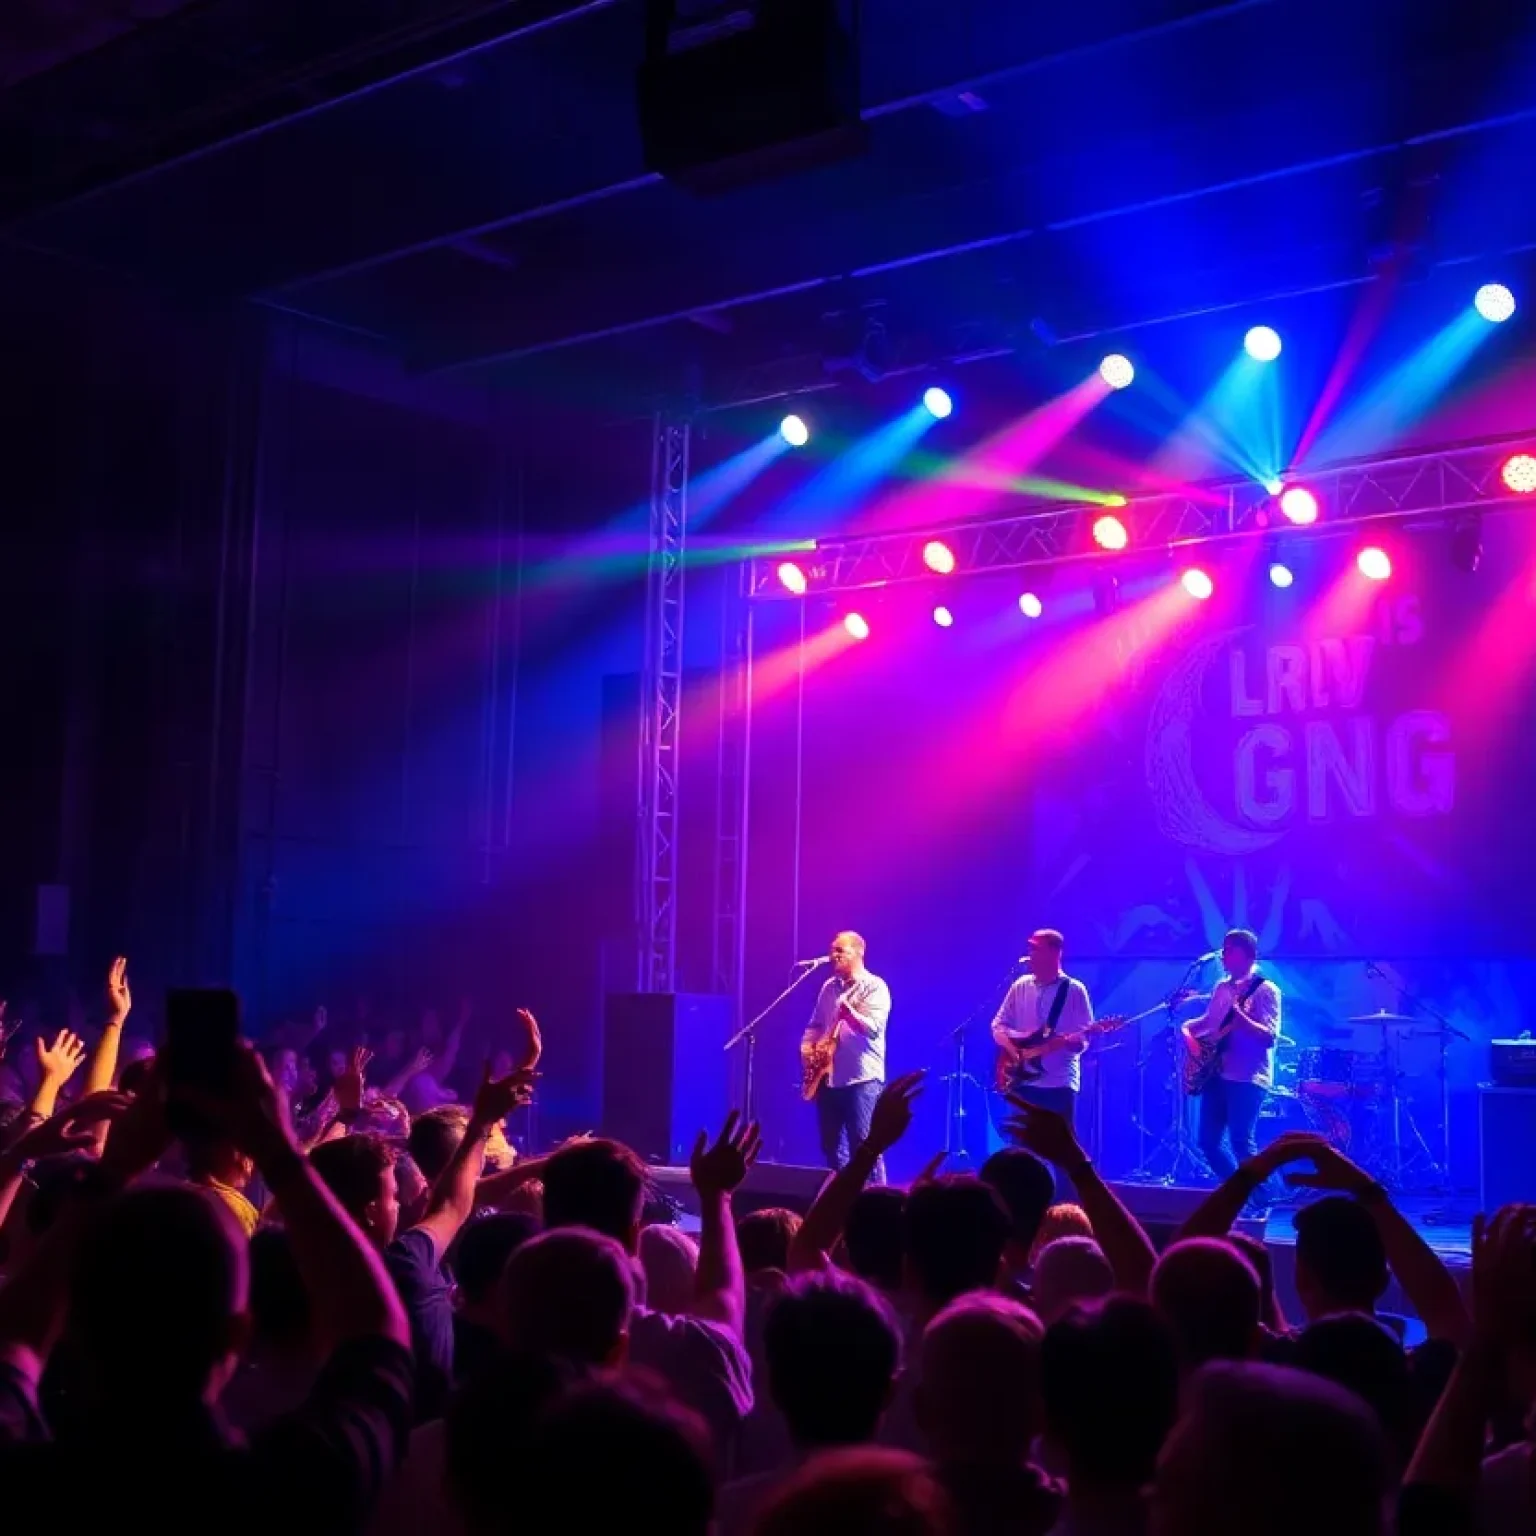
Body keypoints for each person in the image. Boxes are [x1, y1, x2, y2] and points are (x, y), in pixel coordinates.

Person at [1180, 929, 1281, 1188]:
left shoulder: (1266, 990)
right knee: (1207, 1142)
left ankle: (1263, 1197)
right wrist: (1188, 1030)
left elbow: (1269, 1038)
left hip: (1248, 1076)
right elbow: (1210, 1024)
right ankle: (1240, 1192)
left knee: (1240, 1142)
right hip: (1217, 1074)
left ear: (1247, 955)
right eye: (1223, 950)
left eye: (1229, 950)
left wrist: (1242, 1020)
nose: (1223, 955)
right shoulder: (1221, 987)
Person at [802, 932, 892, 1181]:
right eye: (833, 950)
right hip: (829, 1077)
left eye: (841, 951)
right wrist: (808, 1050)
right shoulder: (828, 987)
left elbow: (873, 1028)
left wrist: (848, 1011)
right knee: (831, 1147)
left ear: (859, 952)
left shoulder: (875, 986)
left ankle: (876, 1203)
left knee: (864, 1148)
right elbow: (815, 1024)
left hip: (862, 1079)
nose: (834, 956)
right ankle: (845, 1201)